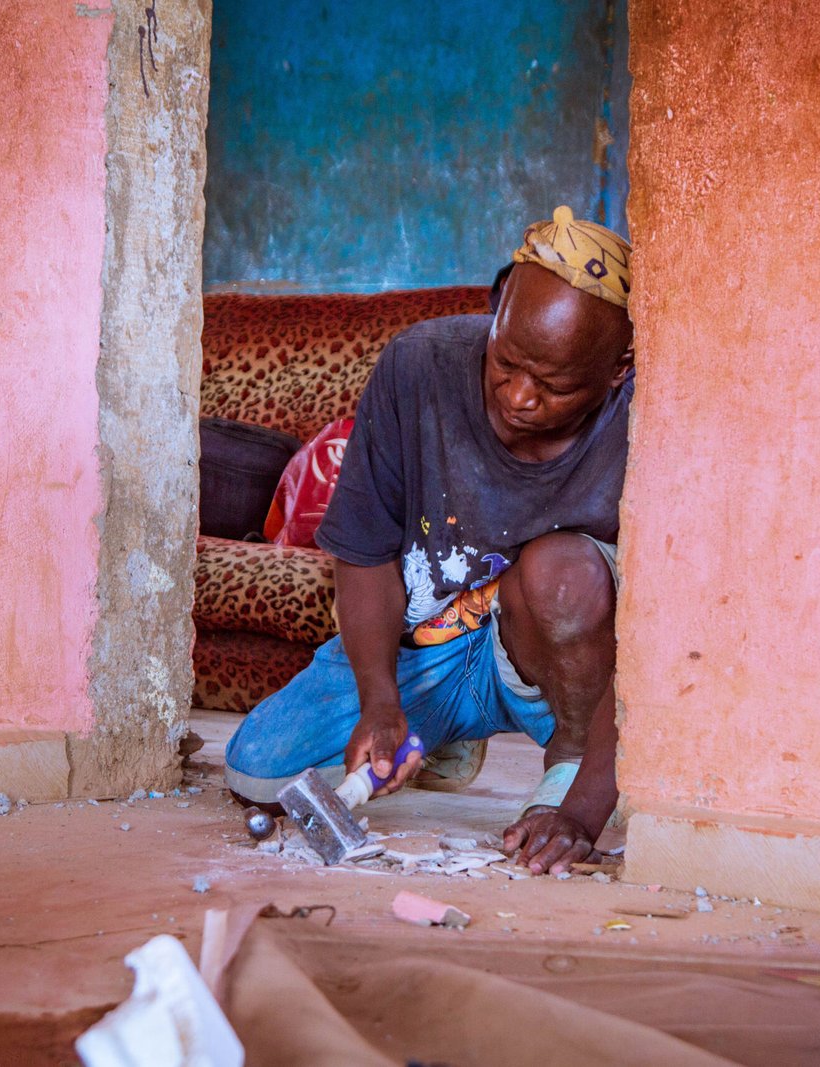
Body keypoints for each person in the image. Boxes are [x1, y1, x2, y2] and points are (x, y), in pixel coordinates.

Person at [224, 206, 633, 875]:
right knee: (257, 769)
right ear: (495, 315)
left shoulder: (643, 416)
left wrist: (582, 808)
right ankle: (437, 730)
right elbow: (364, 552)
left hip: (552, 655)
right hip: (433, 640)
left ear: (616, 371)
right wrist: (381, 702)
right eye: (506, 361)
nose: (519, 396)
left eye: (553, 385)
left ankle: (566, 751)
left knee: (562, 573)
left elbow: (662, 637)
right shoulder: (419, 366)